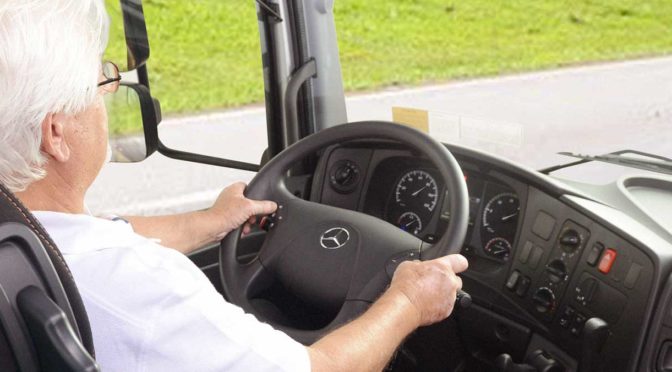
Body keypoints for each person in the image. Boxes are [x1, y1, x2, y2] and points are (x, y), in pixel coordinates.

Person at [0, 1, 468, 371]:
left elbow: (94, 235)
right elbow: (319, 367)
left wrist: (209, 223)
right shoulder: (144, 286)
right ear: (56, 135)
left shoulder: (22, 230)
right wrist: (407, 300)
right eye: (101, 82)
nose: (108, 95)